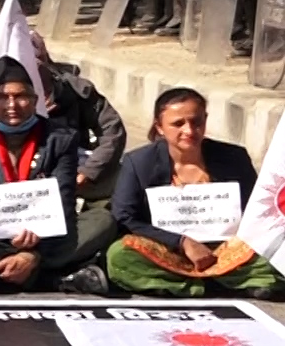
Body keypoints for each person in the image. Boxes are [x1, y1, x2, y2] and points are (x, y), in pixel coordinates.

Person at [0, 59, 116, 294]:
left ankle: (3, 271)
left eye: (21, 96)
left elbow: (63, 197)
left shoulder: (60, 138)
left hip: (45, 233)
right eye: (3, 97)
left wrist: (35, 245)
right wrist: (8, 232)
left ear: (35, 100)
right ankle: (49, 278)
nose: (12, 105)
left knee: (102, 221)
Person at [106, 88, 283, 298]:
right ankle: (210, 285)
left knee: (277, 252)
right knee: (119, 256)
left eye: (196, 122)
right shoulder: (138, 163)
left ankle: (194, 283)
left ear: (205, 120)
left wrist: (232, 243)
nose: (189, 131)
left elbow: (257, 211)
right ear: (159, 127)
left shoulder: (234, 157)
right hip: (169, 250)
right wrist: (182, 242)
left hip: (227, 252)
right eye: (178, 124)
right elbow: (124, 216)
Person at [35, 35, 126, 204]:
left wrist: (88, 172)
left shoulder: (75, 90)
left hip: (77, 173)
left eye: (36, 62)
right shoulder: (2, 103)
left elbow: (112, 131)